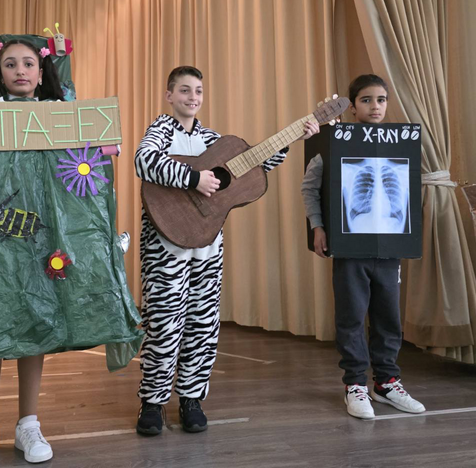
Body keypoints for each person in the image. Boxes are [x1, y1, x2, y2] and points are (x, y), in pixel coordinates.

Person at [133, 65, 318, 436]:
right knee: (164, 323)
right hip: (165, 245)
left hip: (207, 245)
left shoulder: (213, 140)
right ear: (169, 96)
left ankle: (191, 398)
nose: (192, 97)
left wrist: (293, 138)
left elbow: (256, 164)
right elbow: (144, 161)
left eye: (198, 91)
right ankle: (152, 403)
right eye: (184, 90)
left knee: (202, 324)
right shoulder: (161, 130)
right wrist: (193, 178)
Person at [0, 39, 64, 468]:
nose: (21, 70)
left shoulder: (58, 115)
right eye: (10, 64)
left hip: (38, 237)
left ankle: (28, 424)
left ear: (41, 71)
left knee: (32, 323)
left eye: (29, 63)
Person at [301, 74, 426, 420]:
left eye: (381, 99)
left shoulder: (400, 143)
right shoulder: (333, 143)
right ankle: (355, 384)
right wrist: (317, 226)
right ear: (353, 106)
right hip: (350, 248)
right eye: (367, 100)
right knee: (352, 316)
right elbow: (310, 187)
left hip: (389, 247)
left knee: (389, 316)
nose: (375, 106)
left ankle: (386, 382)